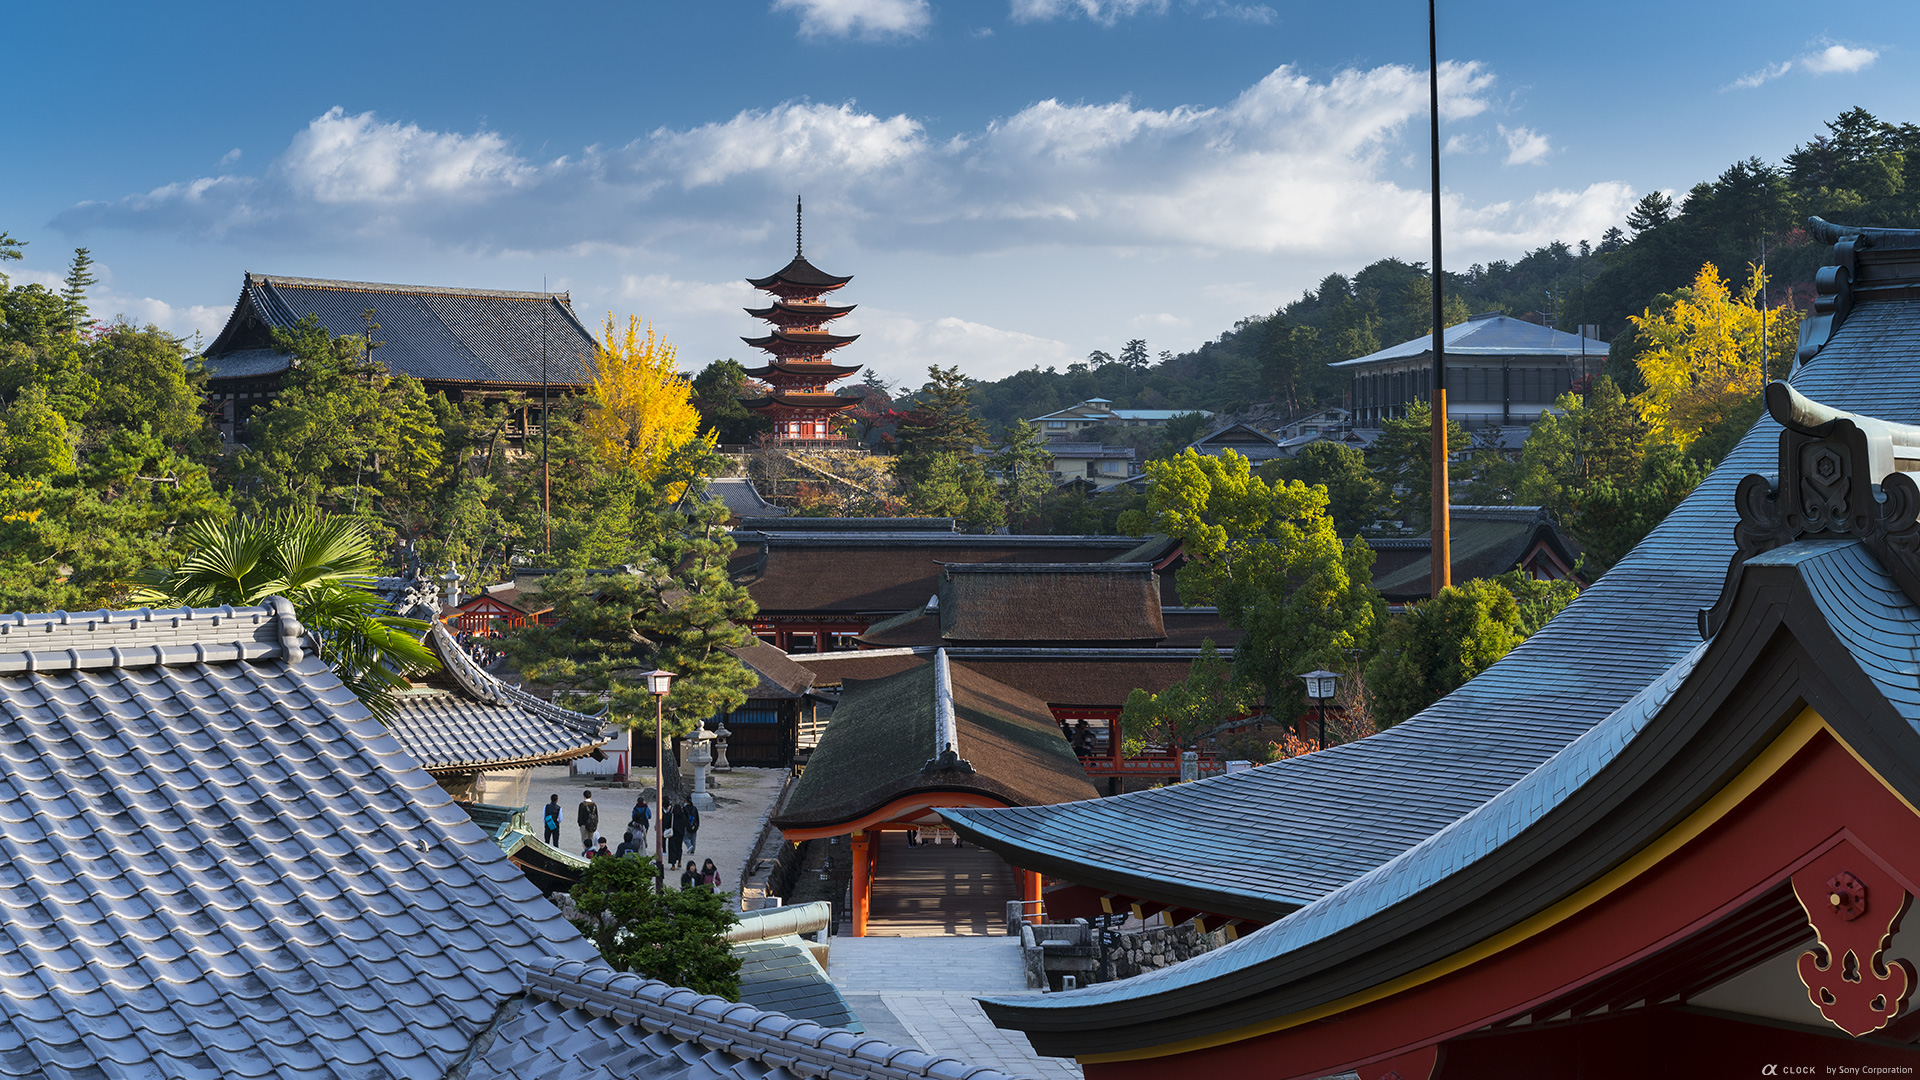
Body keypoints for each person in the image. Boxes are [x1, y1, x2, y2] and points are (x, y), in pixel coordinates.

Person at [664, 802, 683, 868]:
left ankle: (673, 865)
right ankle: (679, 861)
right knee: (679, 848)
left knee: (672, 849)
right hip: (680, 835)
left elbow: (666, 823)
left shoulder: (671, 816)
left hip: (673, 835)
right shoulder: (682, 816)